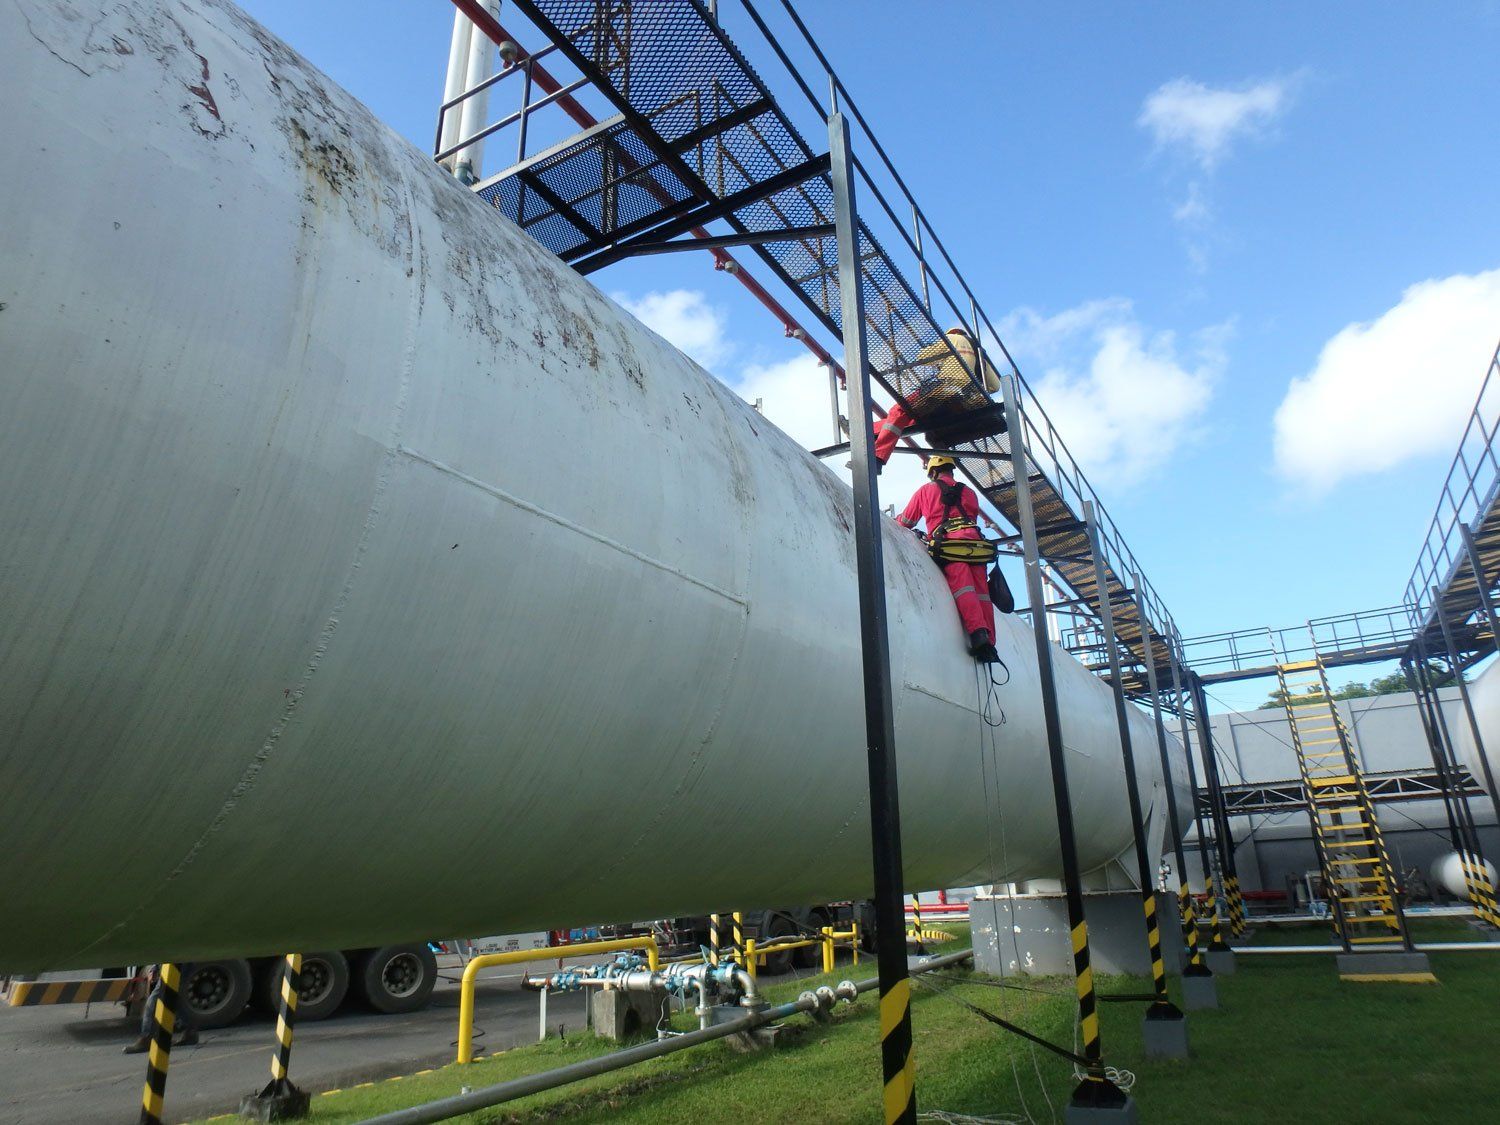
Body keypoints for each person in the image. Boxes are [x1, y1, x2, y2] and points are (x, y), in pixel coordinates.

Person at [897, 456, 999, 661]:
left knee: (964, 588)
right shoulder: (969, 492)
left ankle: (978, 635)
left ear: (933, 472)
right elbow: (971, 518)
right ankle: (990, 640)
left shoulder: (926, 490)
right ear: (951, 470)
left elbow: (906, 521)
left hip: (950, 545)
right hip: (976, 545)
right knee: (982, 593)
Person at [874, 327, 1001, 465]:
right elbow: (995, 386)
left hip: (945, 388)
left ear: (951, 333)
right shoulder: (980, 353)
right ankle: (871, 429)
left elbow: (923, 357)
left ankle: (878, 457)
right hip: (967, 398)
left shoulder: (951, 338)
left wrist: (935, 356)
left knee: (900, 410)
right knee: (914, 418)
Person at [123, 963, 198, 1054]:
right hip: (176, 962)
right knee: (173, 998)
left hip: (177, 963)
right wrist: (156, 967)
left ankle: (146, 1039)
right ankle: (190, 1033)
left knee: (154, 1001)